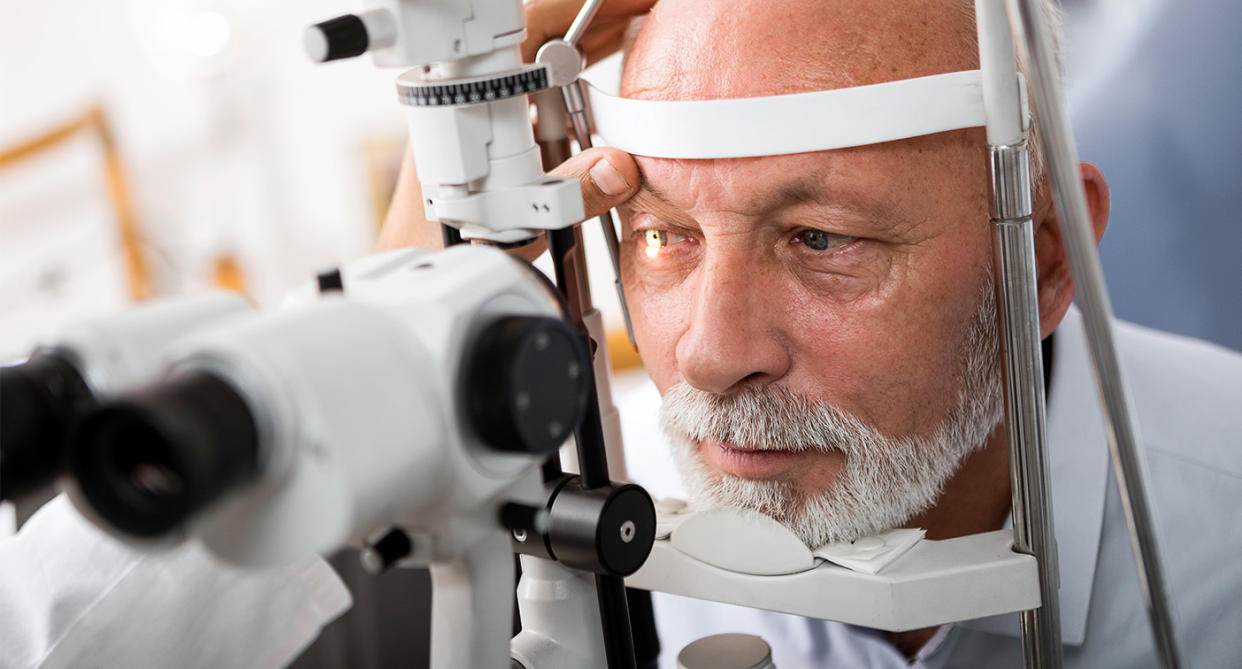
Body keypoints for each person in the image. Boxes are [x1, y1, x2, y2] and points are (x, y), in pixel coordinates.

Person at [377, 0, 1242, 667]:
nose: (710, 359)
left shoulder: (1223, 542)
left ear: (1044, 260)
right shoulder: (607, 480)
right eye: (662, 235)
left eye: (821, 239)